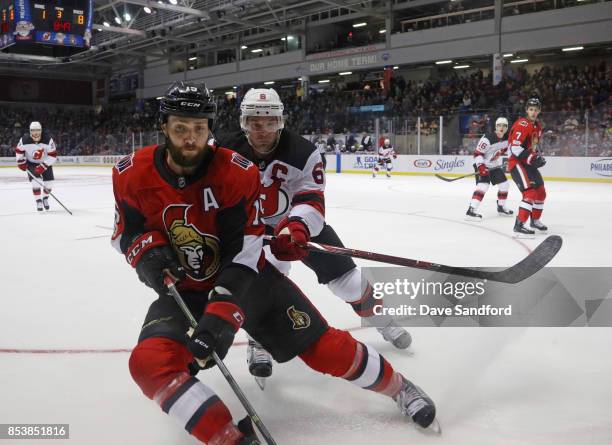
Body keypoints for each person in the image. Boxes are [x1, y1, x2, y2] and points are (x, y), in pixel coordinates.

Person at [112, 82, 437, 445]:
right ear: (164, 127)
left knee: (326, 341)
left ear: (210, 129)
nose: (190, 139)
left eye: (198, 129)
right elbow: (125, 232)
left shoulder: (239, 170)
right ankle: (228, 437)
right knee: (149, 363)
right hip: (187, 288)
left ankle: (399, 386)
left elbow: (251, 247)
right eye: (180, 128)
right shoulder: (130, 173)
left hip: (249, 275)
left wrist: (228, 304)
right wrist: (147, 254)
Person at [216, 88, 411, 384]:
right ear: (244, 122)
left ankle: (381, 318)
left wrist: (297, 226)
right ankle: (259, 341)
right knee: (260, 287)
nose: (263, 131)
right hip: (253, 230)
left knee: (350, 282)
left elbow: (311, 198)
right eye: (256, 123)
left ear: (280, 121)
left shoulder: (303, 151)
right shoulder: (224, 150)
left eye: (270, 123)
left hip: (299, 225)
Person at [507, 98, 547, 235]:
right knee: (530, 193)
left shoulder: (538, 126)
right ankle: (519, 224)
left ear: (539, 111)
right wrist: (532, 158)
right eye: (531, 109)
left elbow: (532, 147)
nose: (533, 112)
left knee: (541, 192)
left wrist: (536, 157)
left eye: (536, 110)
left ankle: (534, 220)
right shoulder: (522, 124)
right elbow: (515, 148)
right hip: (517, 163)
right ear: (526, 110)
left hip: (527, 163)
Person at [466, 117, 513, 220]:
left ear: (507, 128)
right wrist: (481, 167)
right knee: (483, 185)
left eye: (504, 126)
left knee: (504, 185)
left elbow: (509, 149)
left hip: (493, 164)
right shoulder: (487, 138)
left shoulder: (508, 139)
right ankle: (471, 211)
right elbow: (477, 154)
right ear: (496, 126)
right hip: (481, 163)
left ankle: (501, 206)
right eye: (499, 125)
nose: (501, 127)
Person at [16, 121, 57, 211]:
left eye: (38, 130)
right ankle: (38, 200)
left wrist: (44, 165)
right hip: (31, 163)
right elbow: (19, 151)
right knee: (36, 182)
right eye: (33, 130)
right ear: (30, 131)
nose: (36, 132)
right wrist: (21, 162)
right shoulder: (24, 140)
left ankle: (45, 198)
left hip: (45, 162)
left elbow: (53, 155)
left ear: (41, 130)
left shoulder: (48, 140)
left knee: (49, 184)